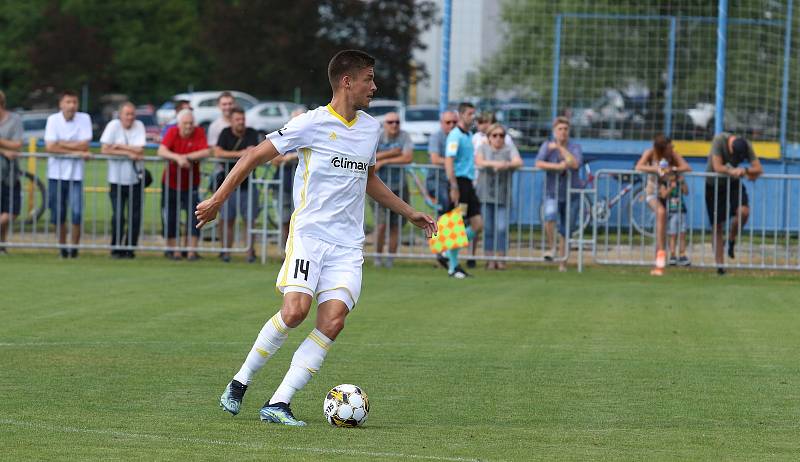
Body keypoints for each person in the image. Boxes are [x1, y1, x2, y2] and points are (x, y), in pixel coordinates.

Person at [196, 50, 436, 426]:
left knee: (333, 321)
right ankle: (241, 381)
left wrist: (409, 212)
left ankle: (279, 403)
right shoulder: (311, 123)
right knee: (294, 312)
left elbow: (368, 177)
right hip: (309, 235)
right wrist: (217, 200)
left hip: (347, 245)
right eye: (368, 79)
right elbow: (252, 157)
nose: (374, 87)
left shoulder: (370, 129)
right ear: (347, 81)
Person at [705, 133, 763, 275]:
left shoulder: (746, 144)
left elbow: (758, 169)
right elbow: (717, 167)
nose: (737, 159)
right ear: (730, 146)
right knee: (717, 225)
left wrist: (745, 170)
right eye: (735, 156)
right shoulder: (719, 141)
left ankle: (731, 238)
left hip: (733, 183)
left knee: (744, 212)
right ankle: (720, 267)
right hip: (714, 186)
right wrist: (732, 171)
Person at [44, 90, 93, 258]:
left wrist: (62, 145)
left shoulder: (84, 118)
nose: (71, 106)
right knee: (58, 214)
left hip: (76, 176)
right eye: (68, 102)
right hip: (55, 174)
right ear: (61, 104)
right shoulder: (53, 120)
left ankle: (74, 248)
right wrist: (76, 149)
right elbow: (50, 147)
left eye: (74, 102)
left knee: (77, 212)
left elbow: (85, 145)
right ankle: (62, 248)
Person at [158, 109, 211, 260]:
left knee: (194, 217)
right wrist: (177, 158)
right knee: (171, 217)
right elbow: (161, 151)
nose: (188, 126)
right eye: (185, 123)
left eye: (190, 123)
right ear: (179, 123)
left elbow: (205, 152)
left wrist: (185, 157)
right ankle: (174, 251)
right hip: (170, 182)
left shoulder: (199, 131)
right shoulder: (172, 131)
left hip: (191, 183)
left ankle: (191, 251)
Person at [635, 135, 691, 275]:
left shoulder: (672, 155)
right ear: (661, 149)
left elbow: (687, 167)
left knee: (668, 227)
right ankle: (660, 257)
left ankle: (662, 257)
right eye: (668, 147)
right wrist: (656, 169)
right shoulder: (650, 153)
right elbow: (639, 166)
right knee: (661, 213)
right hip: (653, 193)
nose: (672, 149)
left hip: (669, 195)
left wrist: (673, 169)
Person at [214, 106, 263, 263]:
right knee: (227, 219)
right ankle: (226, 252)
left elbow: (255, 153)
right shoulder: (225, 133)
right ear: (232, 121)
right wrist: (241, 154)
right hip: (227, 185)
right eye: (237, 119)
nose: (240, 122)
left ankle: (250, 252)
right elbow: (218, 153)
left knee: (249, 220)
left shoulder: (252, 133)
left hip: (248, 184)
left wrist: (245, 154)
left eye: (242, 119)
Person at [100, 102, 147, 259]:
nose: (130, 117)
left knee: (135, 216)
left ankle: (130, 249)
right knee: (118, 215)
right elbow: (105, 149)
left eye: (132, 114)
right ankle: (116, 248)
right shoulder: (113, 126)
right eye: (127, 114)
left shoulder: (139, 125)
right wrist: (128, 153)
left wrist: (118, 147)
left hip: (135, 179)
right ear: (120, 115)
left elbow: (140, 149)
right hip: (116, 180)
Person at [535, 116, 582, 272]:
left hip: (571, 193)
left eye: (565, 129)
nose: (563, 133)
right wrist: (556, 167)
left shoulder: (574, 147)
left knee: (566, 229)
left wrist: (560, 148)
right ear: (554, 131)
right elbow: (538, 162)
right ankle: (551, 247)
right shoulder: (546, 146)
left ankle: (563, 262)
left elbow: (574, 163)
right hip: (552, 192)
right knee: (549, 216)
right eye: (560, 129)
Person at [475, 123, 522, 269]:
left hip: (502, 196)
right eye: (494, 135)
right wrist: (496, 164)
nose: (498, 138)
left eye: (501, 135)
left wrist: (505, 165)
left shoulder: (509, 149)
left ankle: (501, 259)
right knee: (488, 228)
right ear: (489, 137)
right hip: (485, 195)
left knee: (501, 228)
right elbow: (479, 161)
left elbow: (518, 162)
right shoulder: (482, 148)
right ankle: (490, 260)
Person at [444, 102, 483, 279]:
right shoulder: (455, 135)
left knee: (477, 224)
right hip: (459, 184)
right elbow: (449, 161)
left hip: (468, 184)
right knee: (457, 224)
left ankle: (447, 248)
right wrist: (453, 186)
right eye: (469, 113)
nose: (472, 116)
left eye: (474, 113)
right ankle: (453, 266)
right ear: (460, 115)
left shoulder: (469, 135)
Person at [373, 111, 413, 268]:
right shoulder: (378, 136)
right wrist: (391, 153)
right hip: (378, 188)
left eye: (397, 122)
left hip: (399, 186)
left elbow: (407, 157)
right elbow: (369, 157)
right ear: (385, 124)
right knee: (381, 224)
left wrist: (384, 160)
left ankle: (390, 260)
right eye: (390, 122)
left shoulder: (405, 136)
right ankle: (377, 257)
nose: (394, 125)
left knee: (395, 225)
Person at [426, 110, 458, 269]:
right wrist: (452, 163)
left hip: (453, 181)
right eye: (448, 122)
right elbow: (434, 158)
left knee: (460, 214)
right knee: (445, 207)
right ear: (442, 123)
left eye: (454, 122)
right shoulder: (436, 137)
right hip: (436, 181)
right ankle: (440, 249)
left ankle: (448, 252)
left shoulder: (460, 136)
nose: (451, 125)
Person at [271, 108, 305, 250]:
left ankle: (298, 251)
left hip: (305, 188)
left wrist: (293, 157)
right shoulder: (284, 134)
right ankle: (284, 252)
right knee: (285, 220)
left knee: (301, 222)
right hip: (283, 185)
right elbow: (274, 159)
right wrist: (288, 158)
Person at [0, 90, 23, 254]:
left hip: (11, 172)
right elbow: (9, 147)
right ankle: (2, 246)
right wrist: (3, 150)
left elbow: (17, 145)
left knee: (13, 211)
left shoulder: (14, 120)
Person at [661, 170, 690, 267]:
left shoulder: (679, 183)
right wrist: (670, 188)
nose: (673, 177)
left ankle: (682, 254)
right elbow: (664, 195)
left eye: (674, 174)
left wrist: (682, 182)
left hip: (681, 211)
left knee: (682, 234)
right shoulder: (664, 183)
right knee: (672, 234)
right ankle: (672, 255)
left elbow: (686, 192)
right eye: (670, 174)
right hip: (671, 212)